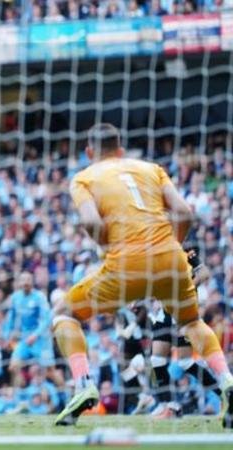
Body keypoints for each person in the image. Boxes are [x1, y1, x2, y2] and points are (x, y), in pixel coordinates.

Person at [51, 123, 233, 427]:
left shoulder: (83, 179)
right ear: (121, 150)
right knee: (191, 322)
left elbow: (91, 223)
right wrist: (171, 246)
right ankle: (227, 380)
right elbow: (185, 213)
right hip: (171, 260)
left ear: (88, 152)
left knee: (63, 314)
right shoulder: (152, 169)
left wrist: (106, 245)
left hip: (125, 263)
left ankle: (83, 384)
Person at [2, 272, 57, 388]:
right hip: (25, 339)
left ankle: (67, 394)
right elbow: (10, 319)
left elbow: (46, 319)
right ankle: (21, 395)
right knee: (13, 367)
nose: (26, 282)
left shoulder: (39, 297)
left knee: (50, 372)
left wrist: (36, 335)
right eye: (23, 280)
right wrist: (6, 337)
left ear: (32, 282)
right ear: (19, 283)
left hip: (41, 339)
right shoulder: (15, 298)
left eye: (28, 280)